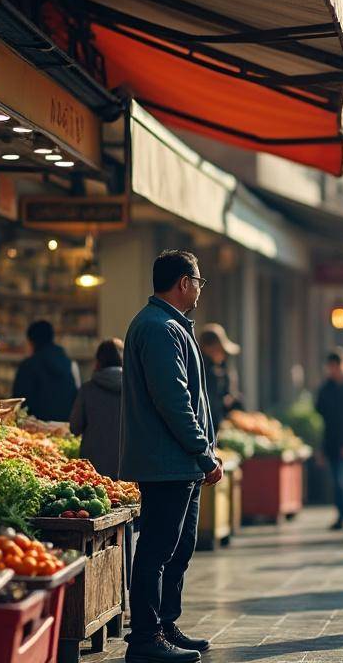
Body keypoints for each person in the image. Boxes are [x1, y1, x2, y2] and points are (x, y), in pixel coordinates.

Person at [121, 250, 222, 663]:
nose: (199, 289)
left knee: (178, 548)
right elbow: (173, 400)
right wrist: (201, 450)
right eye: (198, 282)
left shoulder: (171, 325)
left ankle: (165, 624)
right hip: (167, 462)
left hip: (180, 462)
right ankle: (145, 638)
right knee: (158, 550)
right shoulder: (159, 327)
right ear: (184, 282)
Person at [69, 338, 124, 479]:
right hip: (127, 466)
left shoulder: (88, 389)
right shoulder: (135, 390)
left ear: (98, 360)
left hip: (93, 469)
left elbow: (75, 427)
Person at [316, 349, 343, 531]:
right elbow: (322, 418)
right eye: (331, 367)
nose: (334, 371)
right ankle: (341, 515)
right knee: (338, 483)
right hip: (332, 442)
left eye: (336, 366)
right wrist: (321, 447)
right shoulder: (326, 389)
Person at [11, 320, 81, 422]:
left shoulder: (28, 366)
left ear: (31, 342)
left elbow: (19, 403)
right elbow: (77, 400)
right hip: (64, 427)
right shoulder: (70, 365)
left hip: (36, 428)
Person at [199, 323, 243, 428]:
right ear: (209, 348)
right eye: (221, 350)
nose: (224, 356)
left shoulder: (220, 369)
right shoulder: (204, 373)